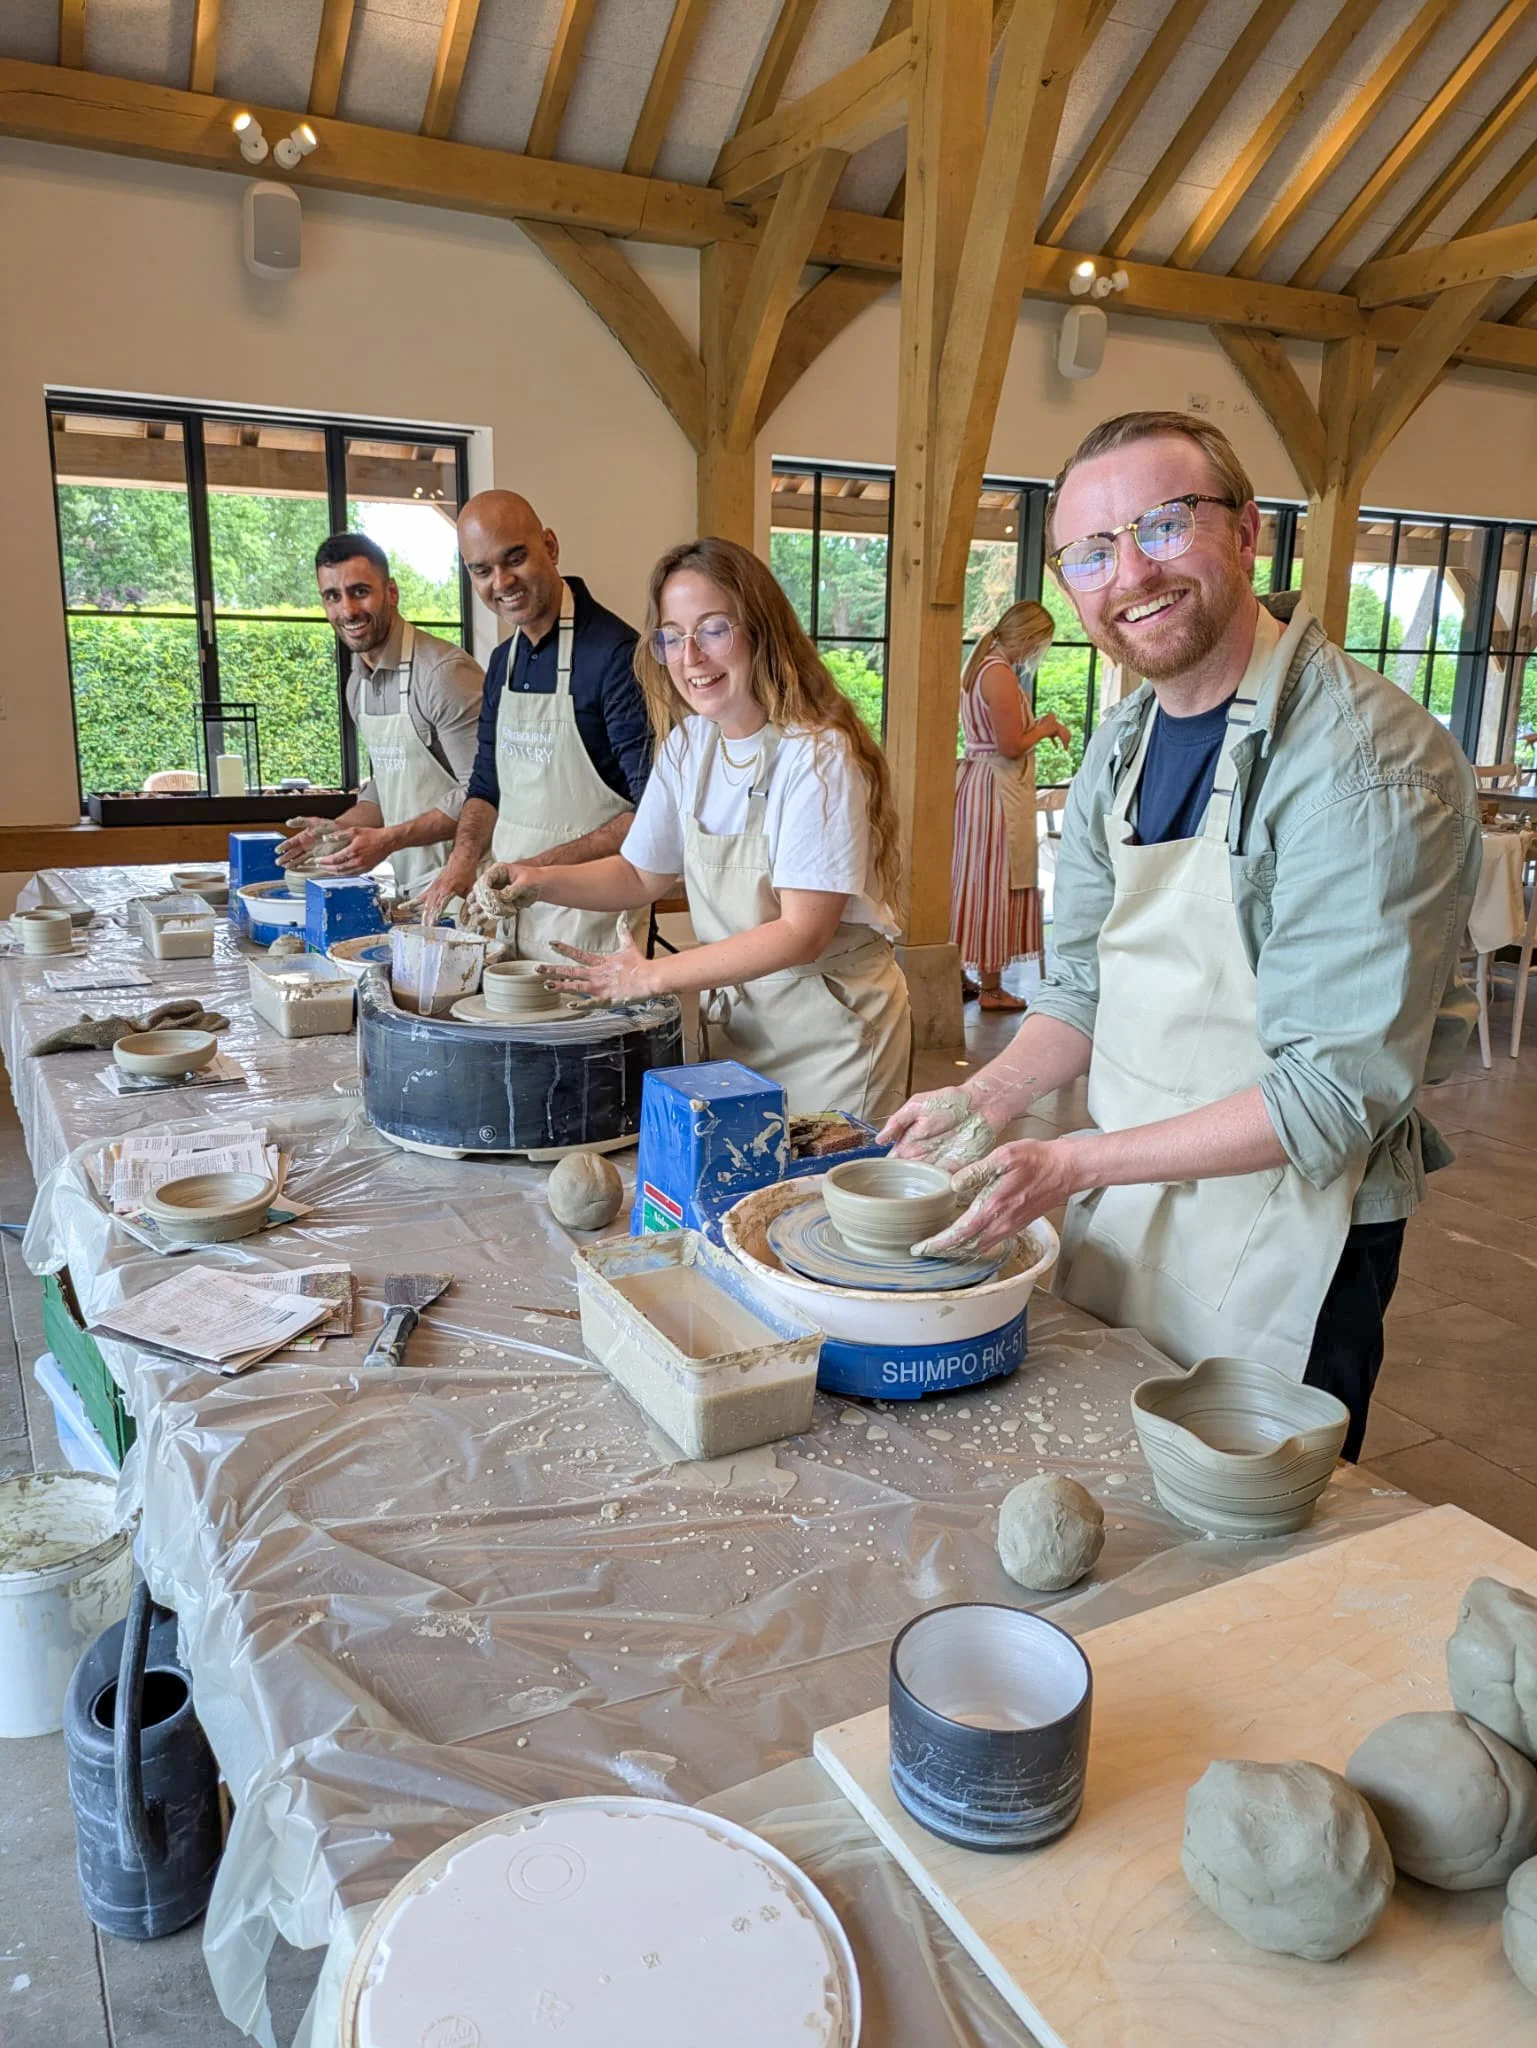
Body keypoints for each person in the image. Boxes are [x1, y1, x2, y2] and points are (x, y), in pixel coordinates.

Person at [882, 411, 1480, 1461]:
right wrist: (985, 1096)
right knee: (1114, 1474)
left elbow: (1332, 1096)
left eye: (1164, 525)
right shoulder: (1124, 742)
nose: (1131, 574)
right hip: (1133, 1186)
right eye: (1092, 551)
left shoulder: (1367, 763)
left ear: (1246, 530)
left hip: (1293, 1219)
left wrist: (1070, 1162)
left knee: (1246, 1519)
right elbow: (1077, 988)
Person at [490, 536, 913, 1121]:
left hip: (830, 1030)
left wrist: (648, 976)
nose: (690, 656)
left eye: (713, 628)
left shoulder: (817, 756)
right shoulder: (690, 744)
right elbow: (640, 873)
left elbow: (801, 932)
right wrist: (537, 880)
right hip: (743, 1024)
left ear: (760, 631)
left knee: (813, 1203)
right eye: (672, 635)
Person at [415, 492, 651, 953]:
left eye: (515, 558)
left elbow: (651, 814)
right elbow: (485, 786)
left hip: (593, 928)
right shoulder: (503, 661)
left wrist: (538, 872)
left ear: (551, 547)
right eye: (481, 571)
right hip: (509, 918)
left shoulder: (617, 656)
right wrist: (462, 862)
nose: (501, 582)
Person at [278, 535, 484, 896]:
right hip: (414, 886)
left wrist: (388, 839)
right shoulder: (357, 684)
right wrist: (337, 830)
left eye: (360, 591)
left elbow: (483, 794)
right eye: (332, 596)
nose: (347, 610)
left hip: (475, 885)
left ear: (391, 592)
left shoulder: (443, 674)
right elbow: (388, 782)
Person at [952, 600, 1071, 1011]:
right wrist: (1046, 726)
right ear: (1030, 637)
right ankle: (991, 986)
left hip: (980, 784)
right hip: (995, 789)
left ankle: (963, 972)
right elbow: (1010, 745)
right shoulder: (998, 675)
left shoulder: (979, 667)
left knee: (973, 878)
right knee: (993, 880)